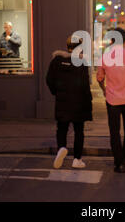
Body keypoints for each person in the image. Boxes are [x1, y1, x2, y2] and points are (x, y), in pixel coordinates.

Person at [46, 35, 92, 169]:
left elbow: (49, 79)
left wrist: (57, 92)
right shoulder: (82, 62)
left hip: (62, 101)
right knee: (79, 131)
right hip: (79, 102)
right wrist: (88, 102)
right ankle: (77, 159)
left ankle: (61, 148)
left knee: (62, 128)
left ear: (68, 46)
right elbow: (84, 85)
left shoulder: (57, 61)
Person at [96, 27, 125, 173]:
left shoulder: (105, 57)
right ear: (124, 40)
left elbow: (99, 78)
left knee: (114, 132)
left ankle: (119, 163)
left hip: (112, 99)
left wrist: (104, 90)